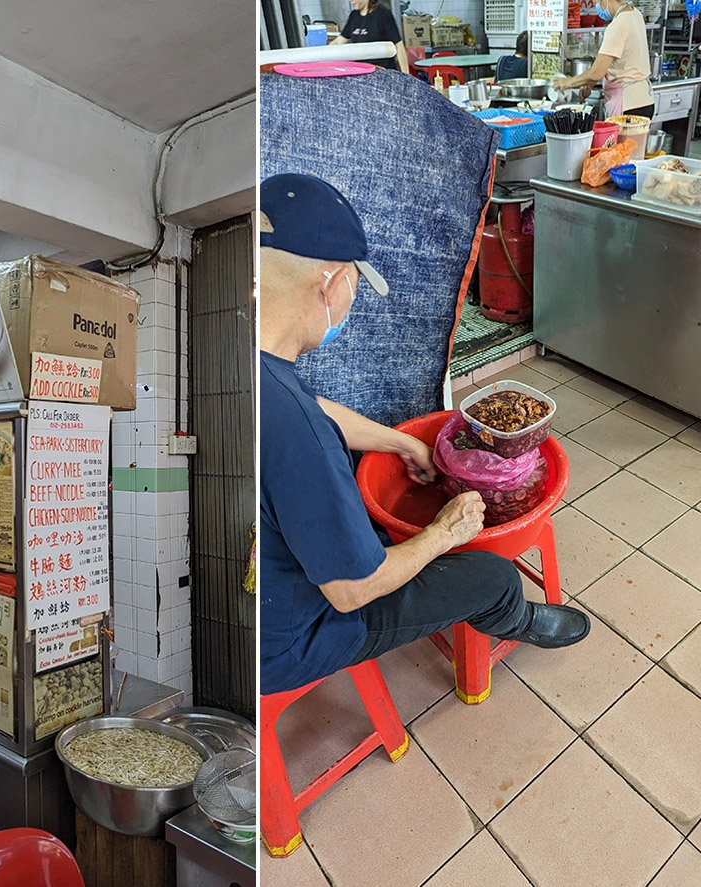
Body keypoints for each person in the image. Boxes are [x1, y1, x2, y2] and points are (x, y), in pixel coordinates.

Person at [259, 172, 590, 695]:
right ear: (331, 283)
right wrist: (444, 534)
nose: (351, 300)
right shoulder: (303, 438)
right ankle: (517, 619)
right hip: (299, 637)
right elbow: (351, 589)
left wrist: (403, 442)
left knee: (381, 529)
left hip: (268, 602)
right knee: (491, 576)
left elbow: (313, 408)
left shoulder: (256, 369)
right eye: (354, 285)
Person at [552, 0, 653, 118]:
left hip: (628, 105)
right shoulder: (635, 14)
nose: (597, 7)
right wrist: (589, 82)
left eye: (596, 2)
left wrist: (567, 82)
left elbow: (596, 73)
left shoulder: (617, 26)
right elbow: (618, 60)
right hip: (645, 100)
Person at [331, 0, 410, 74]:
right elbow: (339, 41)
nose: (351, 0)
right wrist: (322, 55)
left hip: (383, 71)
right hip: (361, 71)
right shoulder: (354, 16)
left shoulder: (383, 14)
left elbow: (398, 45)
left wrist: (406, 76)